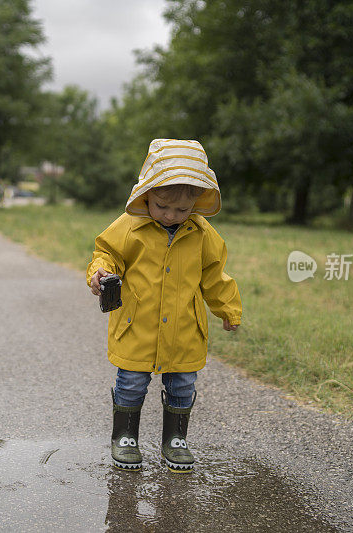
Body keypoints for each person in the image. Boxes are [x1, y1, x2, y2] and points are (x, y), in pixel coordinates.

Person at [87, 138, 242, 472]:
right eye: (162, 206)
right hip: (137, 327)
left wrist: (228, 308)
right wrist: (101, 273)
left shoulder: (203, 234)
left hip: (185, 330)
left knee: (183, 385)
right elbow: (107, 254)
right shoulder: (129, 226)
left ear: (197, 203)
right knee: (130, 383)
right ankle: (125, 437)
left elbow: (215, 276)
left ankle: (176, 439)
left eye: (182, 210)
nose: (171, 215)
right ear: (147, 194)